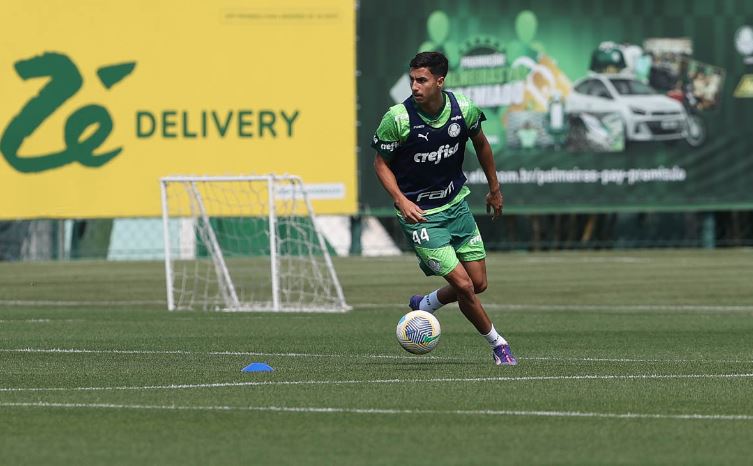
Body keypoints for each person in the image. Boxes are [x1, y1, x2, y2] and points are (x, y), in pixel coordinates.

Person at [371, 51, 516, 366]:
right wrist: (401, 199)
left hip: (456, 206)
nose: (415, 86)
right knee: (463, 285)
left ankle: (426, 302)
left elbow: (482, 145)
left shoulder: (463, 109)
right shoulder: (397, 118)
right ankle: (498, 345)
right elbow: (381, 163)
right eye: (412, 80)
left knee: (479, 283)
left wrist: (494, 189)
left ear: (439, 81)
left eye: (421, 80)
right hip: (421, 217)